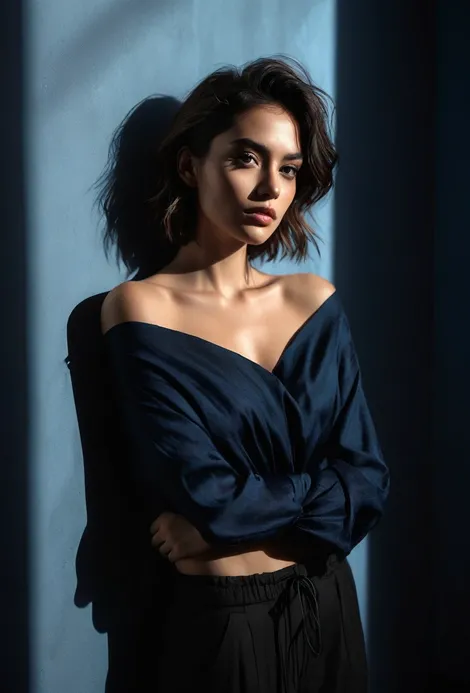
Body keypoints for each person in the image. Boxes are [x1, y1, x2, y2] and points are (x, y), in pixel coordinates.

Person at [98, 56, 390, 693]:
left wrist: (216, 530)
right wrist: (296, 500)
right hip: (222, 629)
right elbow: (208, 492)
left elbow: (366, 483)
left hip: (328, 608)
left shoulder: (312, 302)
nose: (271, 190)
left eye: (287, 168)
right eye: (245, 158)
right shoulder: (142, 308)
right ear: (189, 165)